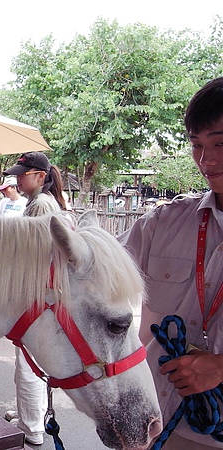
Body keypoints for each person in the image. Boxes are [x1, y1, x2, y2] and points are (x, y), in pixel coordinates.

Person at [118, 77, 223, 450]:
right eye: (197, 145)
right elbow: (97, 268)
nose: (206, 160)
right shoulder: (164, 222)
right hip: (152, 418)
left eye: (219, 143)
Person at [2, 151, 69, 446]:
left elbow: (33, 252)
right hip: (43, 289)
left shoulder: (40, 204)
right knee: (32, 361)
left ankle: (31, 427)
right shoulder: (42, 202)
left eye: (23, 173)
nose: (18, 178)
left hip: (37, 291)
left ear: (40, 176)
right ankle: (30, 416)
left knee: (28, 363)